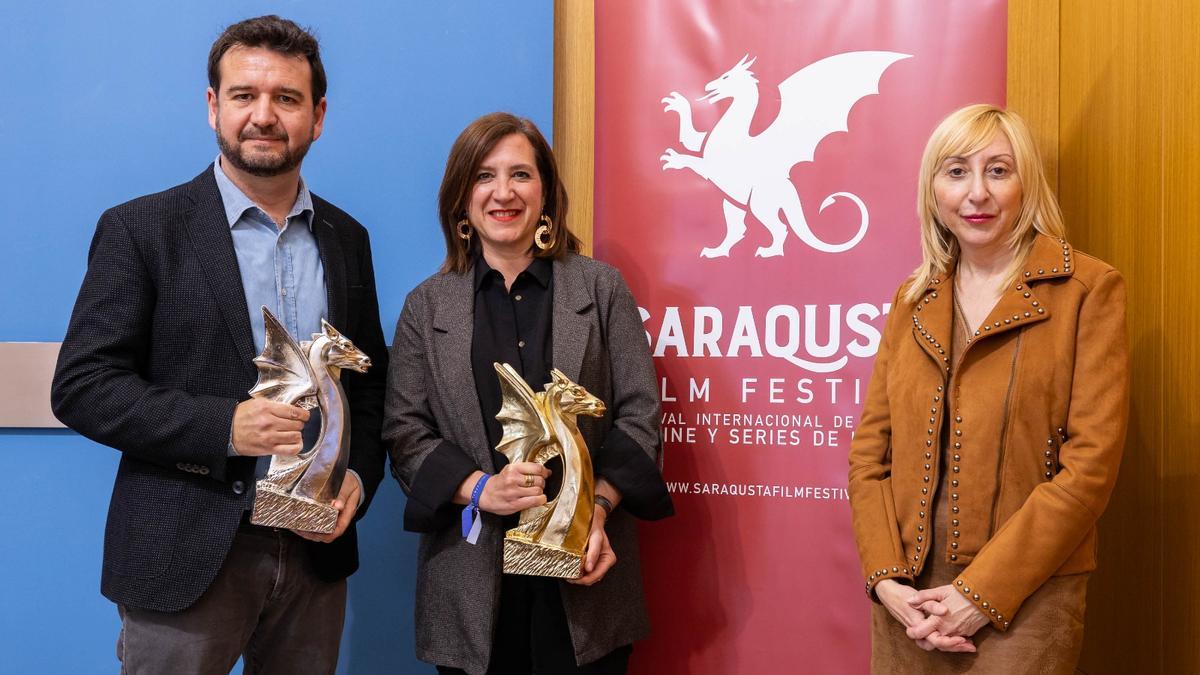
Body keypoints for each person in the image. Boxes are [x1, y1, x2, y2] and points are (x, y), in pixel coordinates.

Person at [51, 15, 387, 674]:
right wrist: (226, 425)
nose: (264, 115)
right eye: (244, 96)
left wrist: (358, 477)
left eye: (286, 98)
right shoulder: (141, 229)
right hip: (185, 553)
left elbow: (370, 385)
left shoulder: (348, 239)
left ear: (317, 116)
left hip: (314, 556)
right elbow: (82, 386)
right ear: (213, 107)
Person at [384, 112, 673, 674]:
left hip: (587, 569)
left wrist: (595, 511)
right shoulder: (427, 306)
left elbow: (640, 415)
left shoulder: (601, 287)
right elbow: (404, 432)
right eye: (484, 176)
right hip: (471, 578)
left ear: (545, 192)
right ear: (461, 198)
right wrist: (479, 488)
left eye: (520, 174)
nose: (503, 192)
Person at [847, 104, 1128, 672]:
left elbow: (1089, 466)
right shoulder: (911, 300)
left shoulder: (1087, 290)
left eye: (998, 170)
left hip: (1029, 594)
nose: (977, 193)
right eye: (956, 171)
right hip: (910, 601)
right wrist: (886, 583)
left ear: (1027, 183)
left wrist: (981, 594)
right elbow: (869, 458)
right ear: (933, 190)